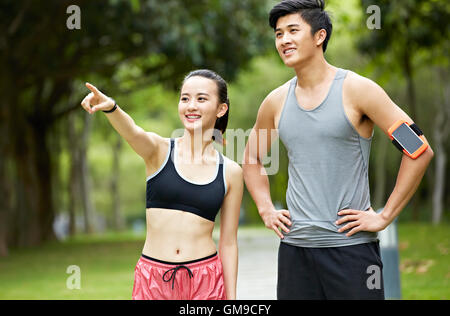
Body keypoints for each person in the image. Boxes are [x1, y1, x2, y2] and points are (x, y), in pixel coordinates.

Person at [242, 0, 434, 300]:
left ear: (319, 36)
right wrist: (265, 208)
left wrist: (385, 216)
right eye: (279, 34)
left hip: (352, 252)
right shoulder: (275, 102)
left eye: (293, 30)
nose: (284, 40)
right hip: (295, 251)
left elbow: (418, 149)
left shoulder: (359, 91)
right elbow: (252, 158)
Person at [80, 69, 243, 300]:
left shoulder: (231, 172)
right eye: (185, 98)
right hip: (153, 279)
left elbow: (228, 243)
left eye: (201, 99)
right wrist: (110, 107)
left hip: (205, 281)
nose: (191, 106)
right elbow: (133, 132)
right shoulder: (159, 151)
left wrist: (232, 300)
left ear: (221, 108)